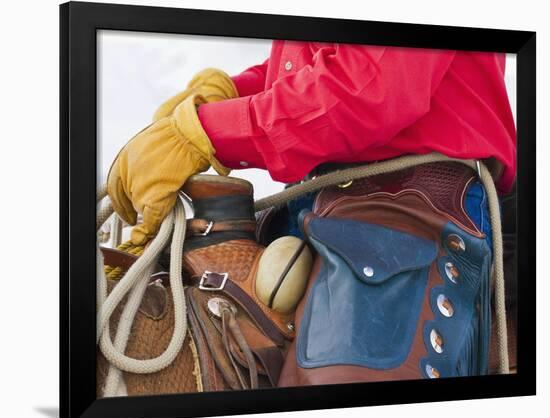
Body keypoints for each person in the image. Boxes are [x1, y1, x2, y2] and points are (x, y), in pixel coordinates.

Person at [107, 41, 516, 246]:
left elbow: (367, 90)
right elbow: (316, 63)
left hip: (417, 201)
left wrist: (206, 133)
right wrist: (226, 94)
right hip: (327, 196)